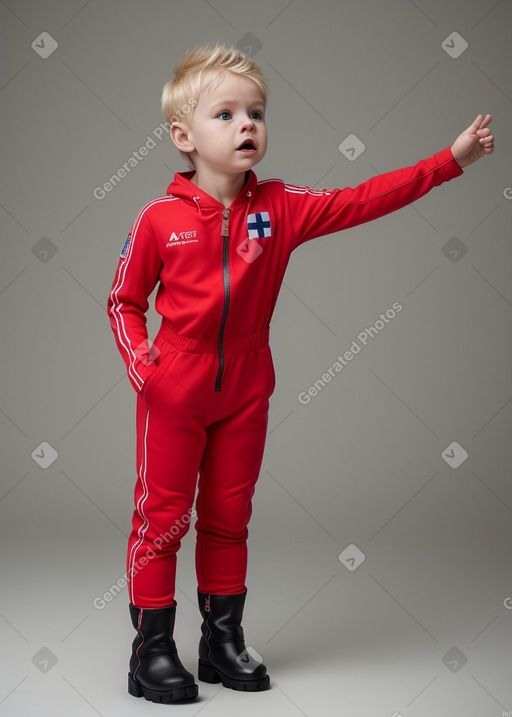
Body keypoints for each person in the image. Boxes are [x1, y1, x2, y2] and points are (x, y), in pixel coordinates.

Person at [107, 44, 494, 704]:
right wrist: (146, 367)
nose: (246, 125)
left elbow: (364, 198)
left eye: (255, 112)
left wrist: (448, 162)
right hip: (177, 388)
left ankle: (220, 642)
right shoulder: (158, 218)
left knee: (229, 516)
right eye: (225, 114)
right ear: (183, 137)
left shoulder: (280, 207)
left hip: (248, 385)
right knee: (163, 520)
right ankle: (152, 650)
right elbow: (123, 301)